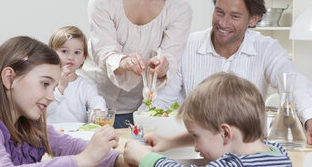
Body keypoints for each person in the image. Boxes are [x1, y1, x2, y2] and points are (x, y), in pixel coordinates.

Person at [151, 0, 312, 144]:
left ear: (253, 19)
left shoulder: (266, 48)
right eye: (219, 12)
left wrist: (310, 118)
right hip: (194, 148)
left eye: (235, 16)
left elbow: (295, 83)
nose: (223, 22)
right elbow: (161, 102)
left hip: (244, 152)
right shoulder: (187, 46)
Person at [80, 0, 192, 128]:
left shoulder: (179, 8)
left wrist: (163, 64)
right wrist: (123, 62)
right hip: (95, 102)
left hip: (140, 108)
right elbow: (103, 51)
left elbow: (171, 56)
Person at [0, 36, 124, 166]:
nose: (51, 96)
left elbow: (70, 145)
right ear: (9, 78)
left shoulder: (29, 127)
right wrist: (83, 160)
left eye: (53, 87)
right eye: (44, 83)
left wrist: (120, 159)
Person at [124, 72, 292, 166]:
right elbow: (213, 134)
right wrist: (170, 142)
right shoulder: (278, 153)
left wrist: (144, 157)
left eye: (196, 137)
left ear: (226, 133)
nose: (197, 148)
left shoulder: (233, 164)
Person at [46, 26, 106, 124]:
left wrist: (98, 112)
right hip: (50, 137)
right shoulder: (45, 83)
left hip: (77, 135)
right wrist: (61, 88)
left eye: (77, 52)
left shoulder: (85, 85)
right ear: (52, 54)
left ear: (84, 58)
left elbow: (96, 101)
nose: (71, 57)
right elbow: (44, 111)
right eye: (64, 51)